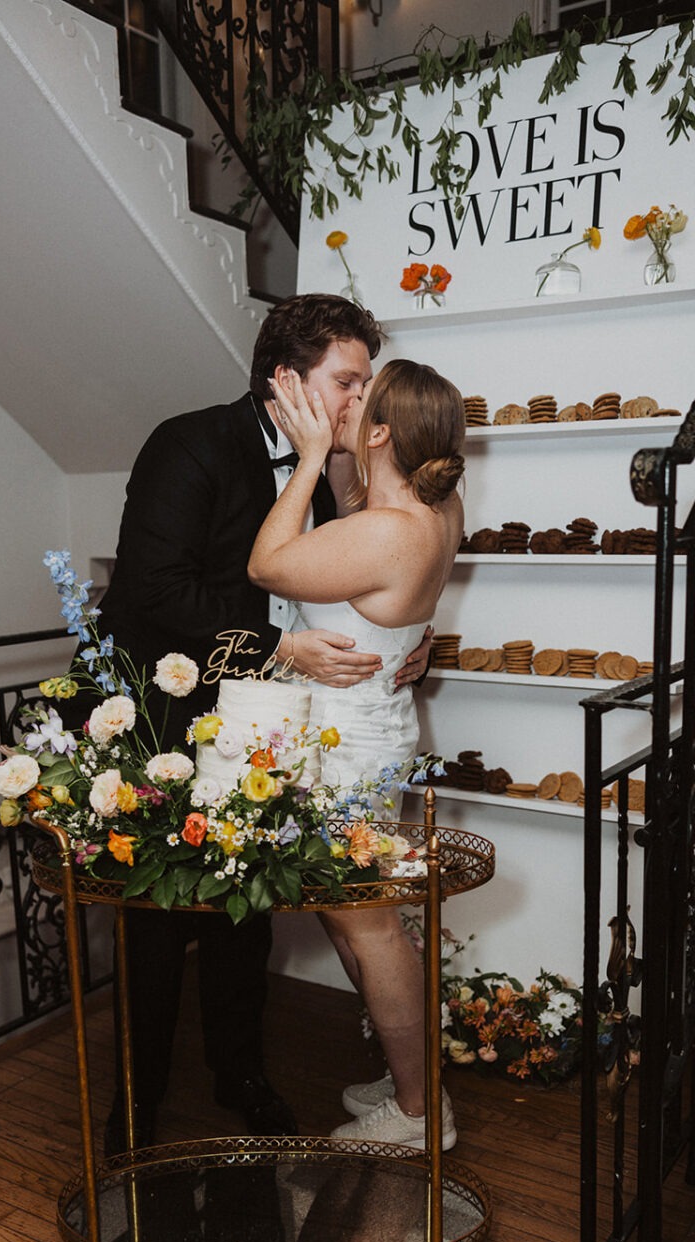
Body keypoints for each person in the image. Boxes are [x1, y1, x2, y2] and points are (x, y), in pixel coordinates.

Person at [86, 295, 431, 1148]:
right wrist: (282, 648)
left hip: (266, 723)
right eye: (347, 382)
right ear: (287, 376)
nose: (362, 403)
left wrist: (402, 647)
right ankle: (135, 1102)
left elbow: (362, 576)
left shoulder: (339, 465)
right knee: (158, 919)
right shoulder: (188, 442)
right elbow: (149, 592)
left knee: (248, 906)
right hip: (166, 711)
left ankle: (240, 1073)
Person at [248, 358, 465, 1149]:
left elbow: (268, 563)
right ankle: (408, 1074)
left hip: (350, 751)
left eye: (357, 400)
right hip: (372, 727)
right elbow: (361, 508)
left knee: (368, 925)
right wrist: (343, 450)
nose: (342, 406)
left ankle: (418, 1113)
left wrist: (309, 455)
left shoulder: (386, 531)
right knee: (355, 922)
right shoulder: (437, 507)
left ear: (381, 432)